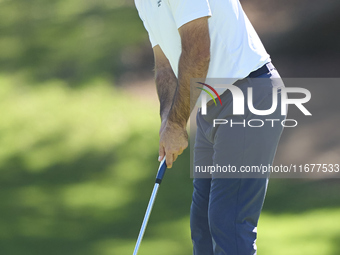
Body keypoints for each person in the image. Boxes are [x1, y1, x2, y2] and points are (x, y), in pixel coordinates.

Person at [135, 0, 285, 254]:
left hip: (248, 93)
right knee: (203, 226)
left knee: (227, 222)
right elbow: (164, 66)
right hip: (211, 104)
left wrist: (177, 123)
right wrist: (166, 122)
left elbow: (198, 52)